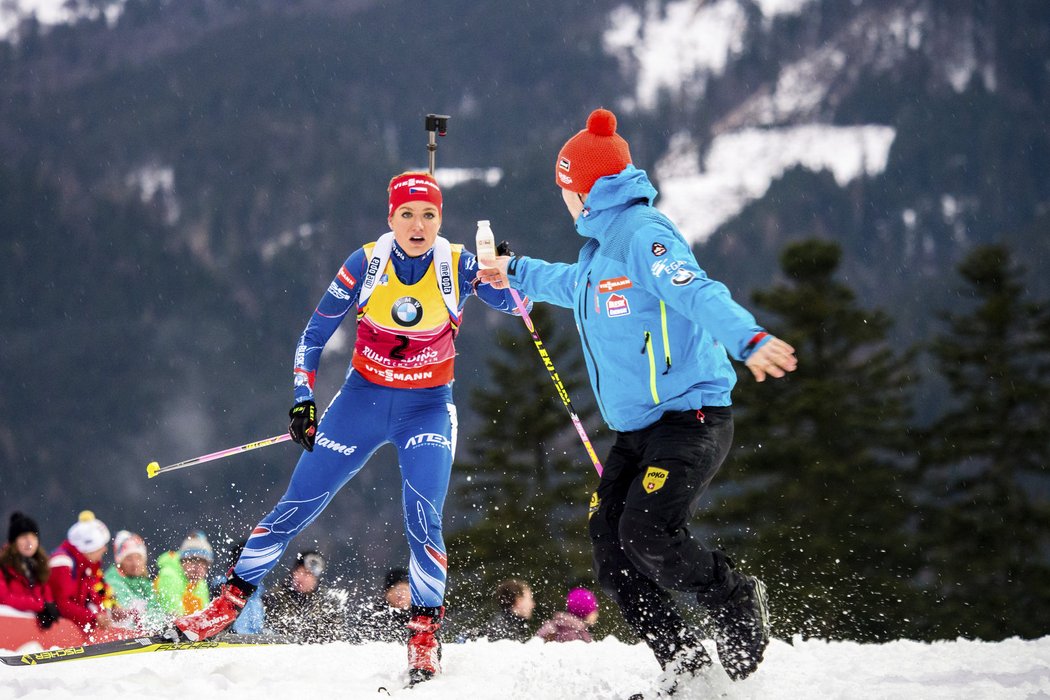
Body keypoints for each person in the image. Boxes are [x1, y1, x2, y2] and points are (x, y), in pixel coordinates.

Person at [477, 108, 798, 684]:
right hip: (639, 429)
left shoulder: (645, 235)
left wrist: (747, 339)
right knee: (611, 547)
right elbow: (570, 285)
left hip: (692, 417)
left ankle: (734, 598)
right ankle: (682, 662)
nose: (564, 201)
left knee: (647, 531)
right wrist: (512, 270)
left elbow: (696, 290)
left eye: (565, 190)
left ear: (586, 189)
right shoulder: (600, 250)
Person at [174, 171, 525, 684]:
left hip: (426, 409)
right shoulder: (366, 263)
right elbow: (312, 336)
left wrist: (502, 276)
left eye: (429, 215)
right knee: (297, 503)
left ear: (441, 220)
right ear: (391, 218)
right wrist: (302, 400)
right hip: (360, 403)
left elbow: (520, 308)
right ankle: (226, 606)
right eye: (407, 214)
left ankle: (424, 634)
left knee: (423, 519)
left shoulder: (457, 265)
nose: (418, 225)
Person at [48, 510, 115, 634]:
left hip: (67, 629)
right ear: (91, 546)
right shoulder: (62, 562)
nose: (105, 549)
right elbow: (62, 603)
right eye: (102, 545)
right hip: (51, 629)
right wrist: (93, 618)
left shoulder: (84, 567)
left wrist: (103, 614)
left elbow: (91, 597)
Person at [263, 550, 344, 642]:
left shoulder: (328, 603)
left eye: (308, 574)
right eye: (300, 571)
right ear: (293, 572)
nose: (302, 577)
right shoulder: (274, 598)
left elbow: (335, 640)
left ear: (316, 578)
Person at [0, 511, 60, 630]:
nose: (29, 542)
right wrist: (40, 606)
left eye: (33, 537)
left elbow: (47, 596)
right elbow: (4, 598)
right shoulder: (3, 567)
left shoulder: (40, 567)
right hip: (8, 628)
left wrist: (50, 607)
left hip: (28, 630)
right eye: (24, 537)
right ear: (14, 542)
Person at [103, 530, 164, 630]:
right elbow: (125, 610)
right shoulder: (112, 580)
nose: (135, 564)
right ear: (120, 561)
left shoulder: (144, 582)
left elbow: (156, 610)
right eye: (129, 559)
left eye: (139, 558)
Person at [346, 567, 412, 643]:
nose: (401, 594)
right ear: (387, 593)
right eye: (397, 589)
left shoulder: (418, 617)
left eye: (405, 590)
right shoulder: (374, 616)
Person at [155, 531, 213, 616]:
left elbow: (204, 616)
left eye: (202, 563)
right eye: (192, 561)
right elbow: (173, 615)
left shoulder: (201, 584)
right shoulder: (169, 575)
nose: (197, 567)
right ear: (182, 562)